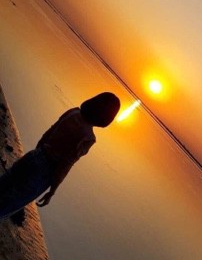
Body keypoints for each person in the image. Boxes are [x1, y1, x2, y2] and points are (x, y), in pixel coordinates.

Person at [0, 92, 120, 222]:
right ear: (107, 119)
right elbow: (65, 164)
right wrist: (52, 191)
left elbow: (48, 134)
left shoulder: (73, 112)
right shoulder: (88, 138)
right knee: (9, 204)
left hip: (35, 156)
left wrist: (37, 153)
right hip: (44, 172)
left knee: (4, 184)